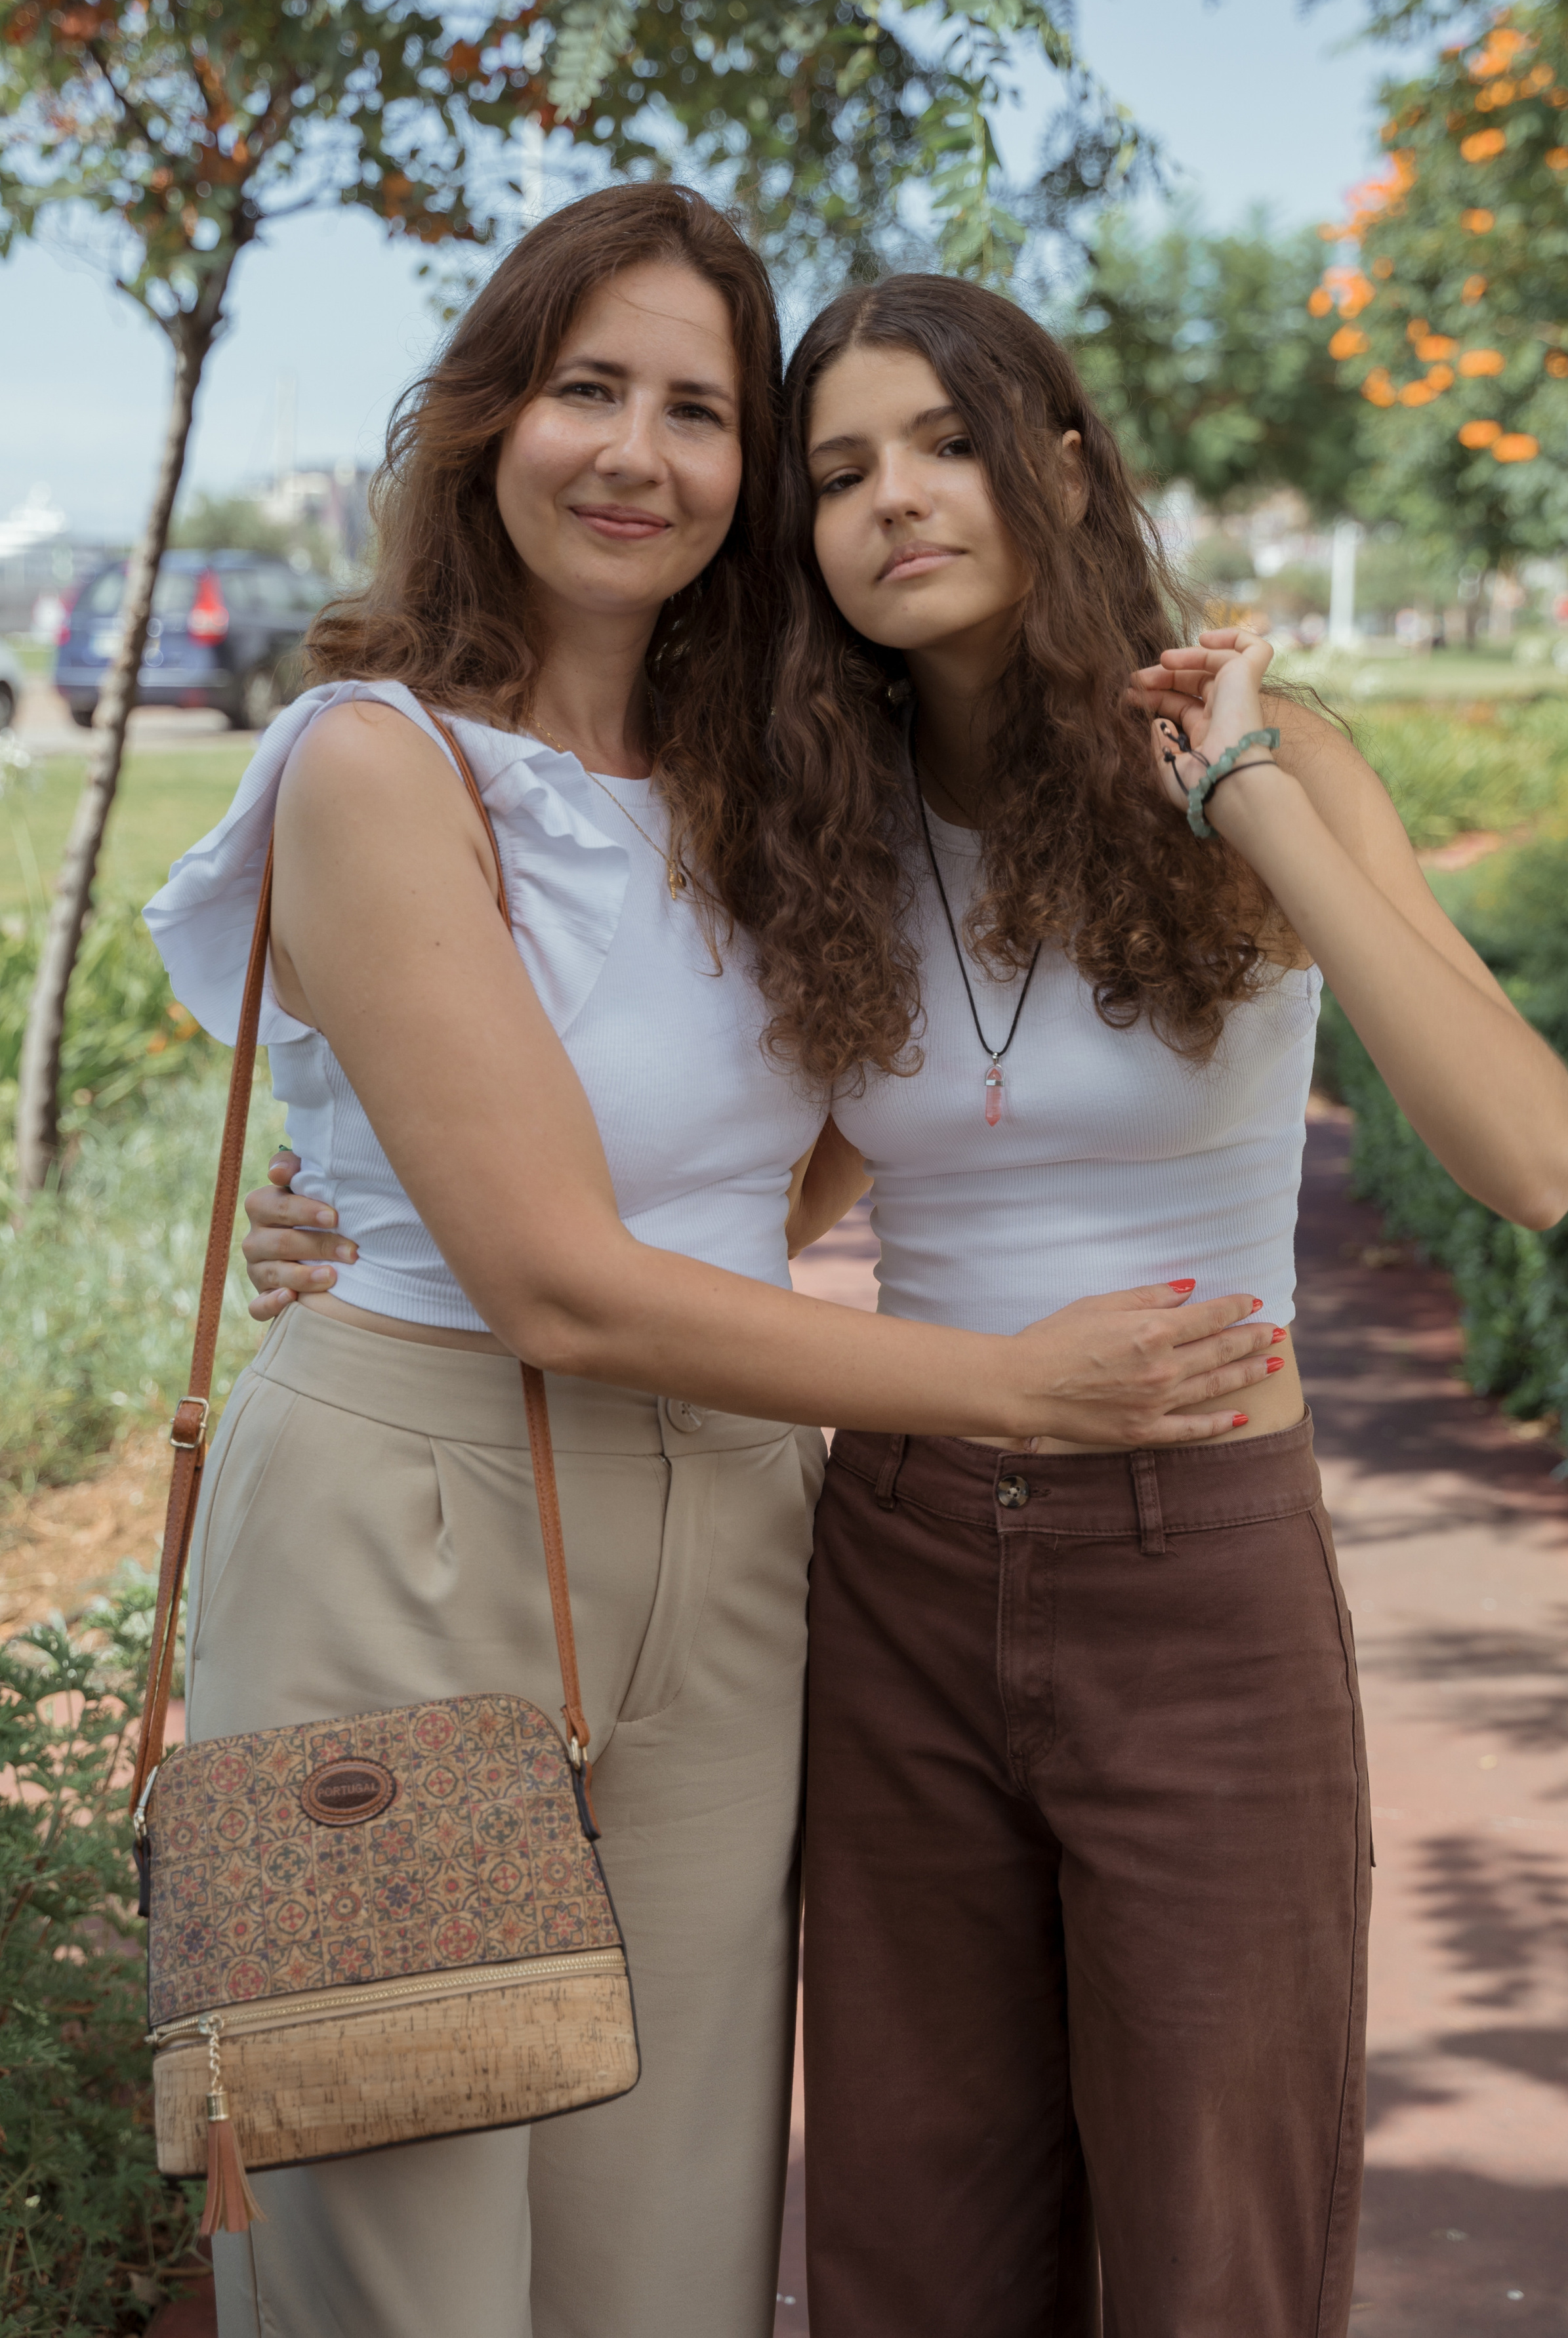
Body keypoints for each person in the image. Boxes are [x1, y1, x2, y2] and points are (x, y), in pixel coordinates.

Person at [153, 191, 1282, 2338]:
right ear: (490, 422)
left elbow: (793, 1156)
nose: (636, 453)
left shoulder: (764, 789)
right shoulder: (379, 766)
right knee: (402, 2223)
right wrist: (1017, 1390)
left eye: (697, 411)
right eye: (588, 389)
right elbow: (557, 1281)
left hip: (739, 1528)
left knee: (663, 2244)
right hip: (422, 1516)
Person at [762, 277, 1568, 2337]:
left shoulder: (1255, 763)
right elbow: (770, 1188)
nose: (894, 501)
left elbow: (1527, 1157)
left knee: (1220, 2238)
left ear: (1057, 470)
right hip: (897, 1574)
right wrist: (381, 1239)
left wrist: (1251, 797)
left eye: (944, 444)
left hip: (1198, 1581)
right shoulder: (823, 822)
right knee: (914, 2236)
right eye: (840, 470)